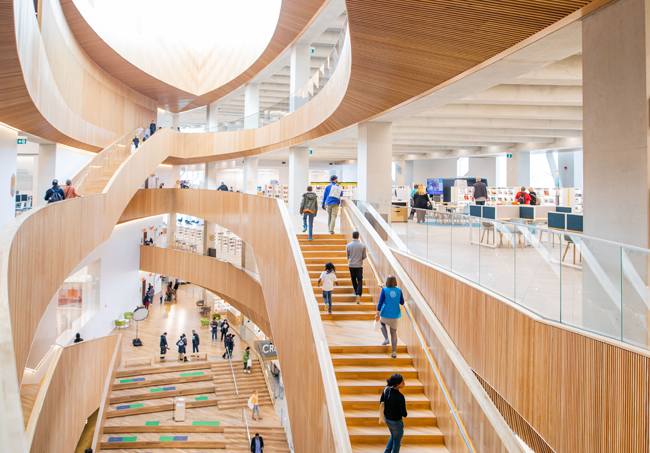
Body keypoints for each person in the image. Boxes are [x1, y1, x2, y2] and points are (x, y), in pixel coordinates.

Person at [376, 275, 405, 358]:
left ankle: (386, 338)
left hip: (385, 313)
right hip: (395, 315)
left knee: (382, 323)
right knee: (393, 333)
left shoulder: (384, 290)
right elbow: (402, 302)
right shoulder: (399, 290)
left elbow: (380, 302)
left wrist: (377, 312)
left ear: (387, 282)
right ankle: (394, 352)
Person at [380, 373, 407, 452]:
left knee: (393, 436)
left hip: (387, 419)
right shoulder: (400, 397)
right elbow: (403, 413)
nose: (404, 383)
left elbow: (381, 401)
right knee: (397, 442)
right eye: (402, 382)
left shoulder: (387, 390)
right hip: (396, 422)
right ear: (398, 384)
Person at [346, 231, 367, 304]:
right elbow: (364, 256)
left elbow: (348, 256)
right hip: (359, 265)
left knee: (353, 278)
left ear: (352, 236)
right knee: (360, 279)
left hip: (351, 264)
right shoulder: (362, 246)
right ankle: (358, 294)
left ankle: (356, 291)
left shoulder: (348, 245)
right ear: (358, 236)